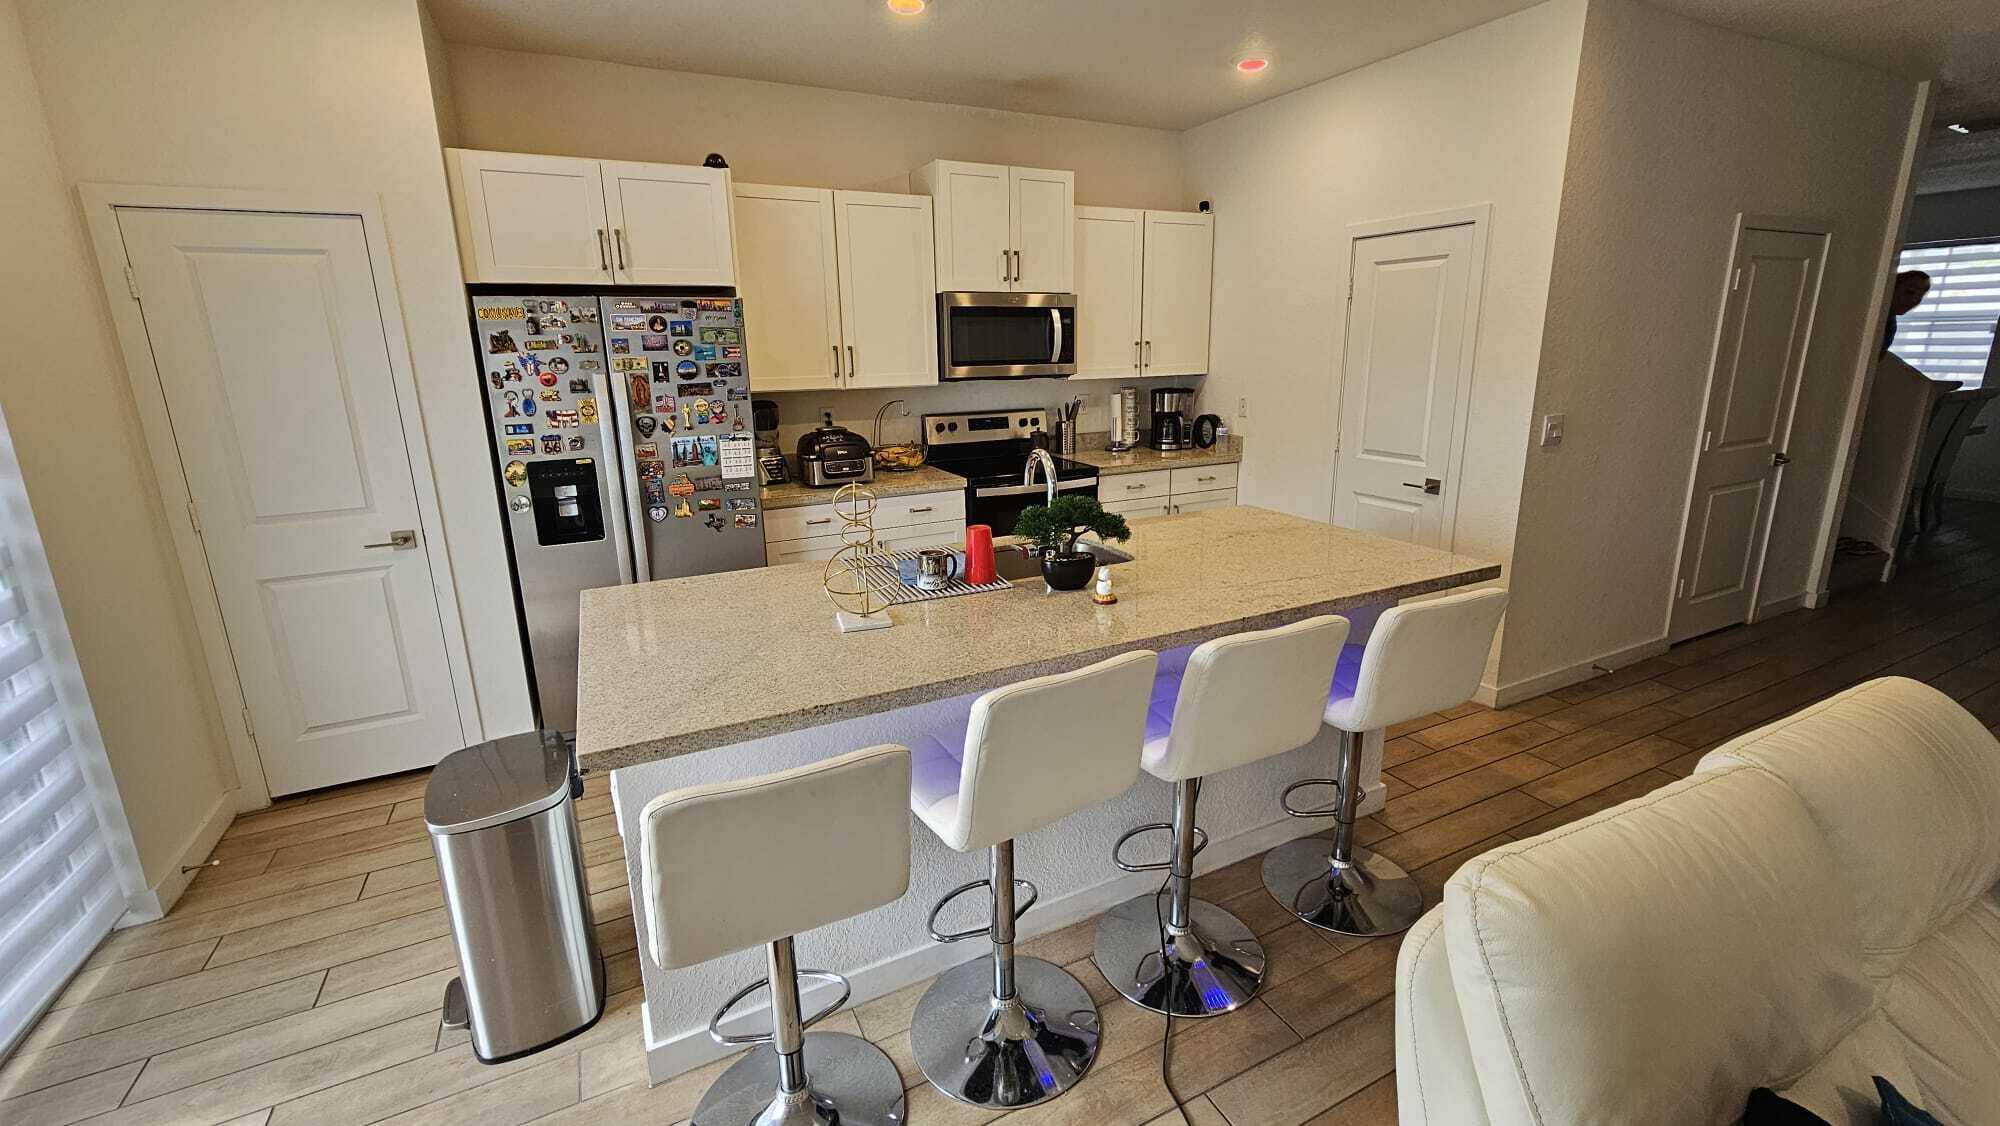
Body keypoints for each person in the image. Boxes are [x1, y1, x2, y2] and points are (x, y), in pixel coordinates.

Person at [1883, 269, 1932, 353]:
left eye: (1920, 296)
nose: (1914, 300)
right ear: (1893, 287)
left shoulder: (1890, 327)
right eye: (1910, 292)